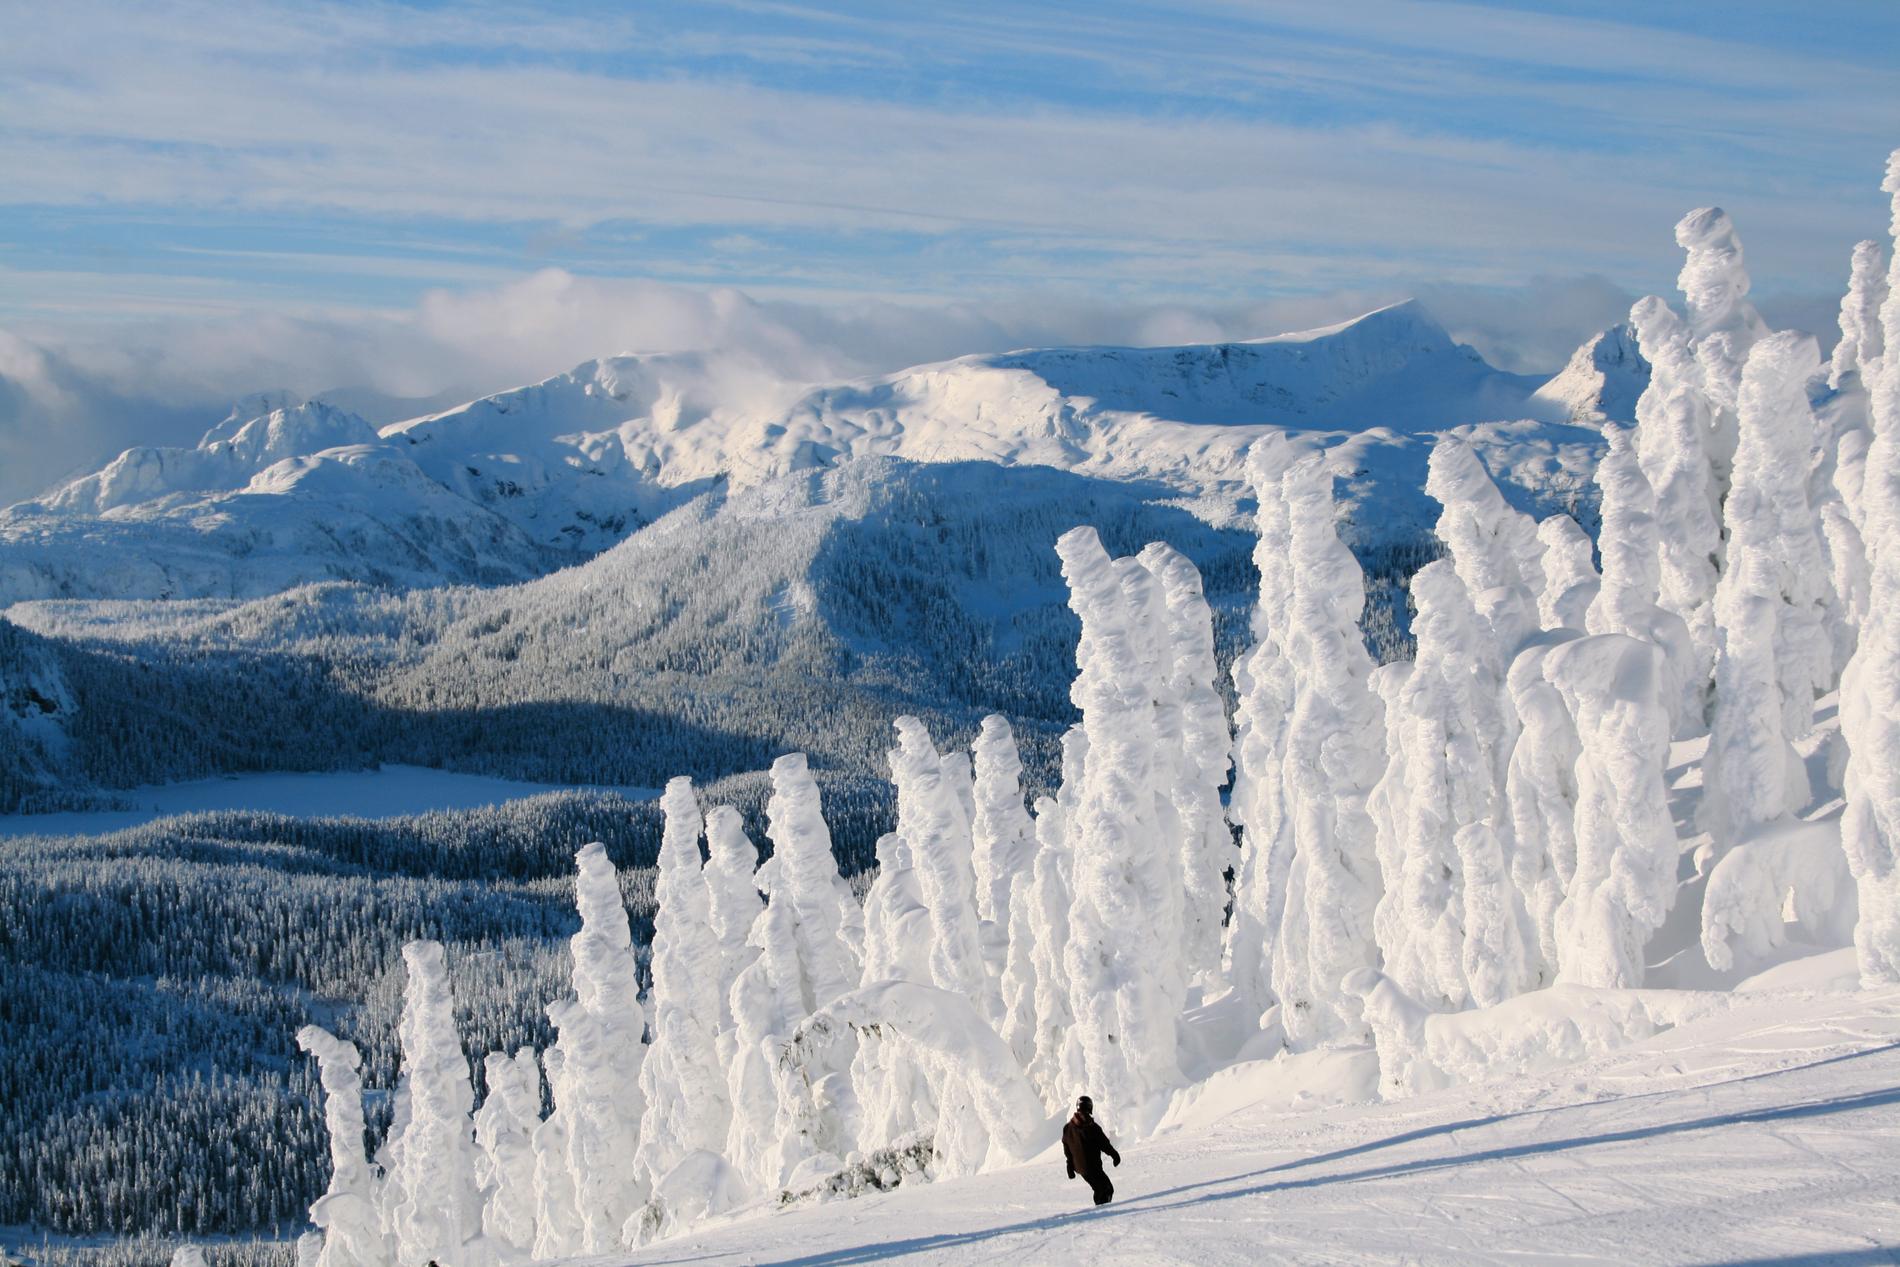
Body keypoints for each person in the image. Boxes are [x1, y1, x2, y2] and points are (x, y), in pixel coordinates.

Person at [1061, 1094, 1121, 1206]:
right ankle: (1102, 1214)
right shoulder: (1091, 1126)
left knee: (1101, 1189)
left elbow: (1067, 1150)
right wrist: (1114, 1154)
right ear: (1090, 1107)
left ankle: (1101, 1211)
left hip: (1081, 1168)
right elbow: (1104, 1144)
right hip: (1093, 1167)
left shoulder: (1067, 1128)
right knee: (1106, 1189)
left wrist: (1069, 1166)